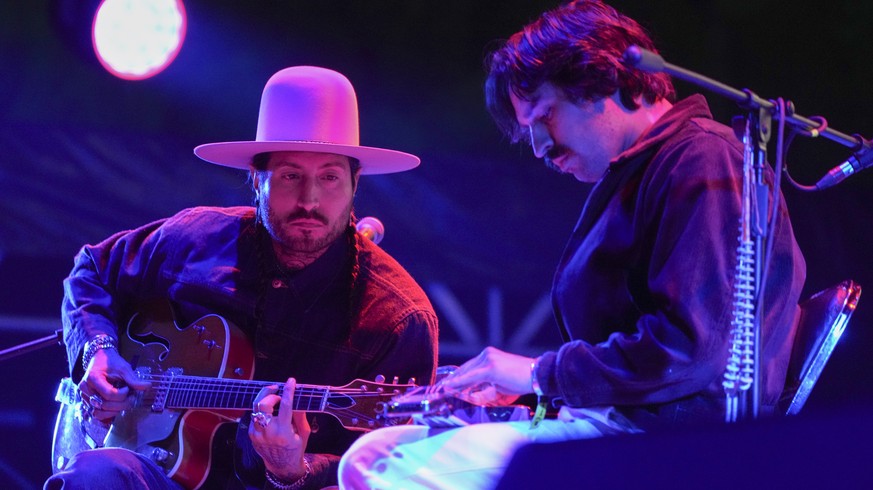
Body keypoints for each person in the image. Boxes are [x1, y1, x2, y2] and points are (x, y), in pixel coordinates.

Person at [338, 1, 806, 488]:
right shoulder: (647, 171)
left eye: (544, 118)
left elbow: (689, 349)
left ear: (601, 79)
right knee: (376, 448)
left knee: (378, 468)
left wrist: (539, 375)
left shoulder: (703, 159)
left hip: (665, 445)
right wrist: (537, 393)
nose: (539, 147)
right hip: (618, 426)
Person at [45, 66, 439, 489]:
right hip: (153, 473)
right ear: (256, 178)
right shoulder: (195, 238)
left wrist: (292, 469)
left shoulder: (397, 319)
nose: (310, 199)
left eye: (329, 177)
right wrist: (98, 351)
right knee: (94, 476)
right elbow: (93, 269)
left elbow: (396, 468)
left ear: (354, 183)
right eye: (290, 176)